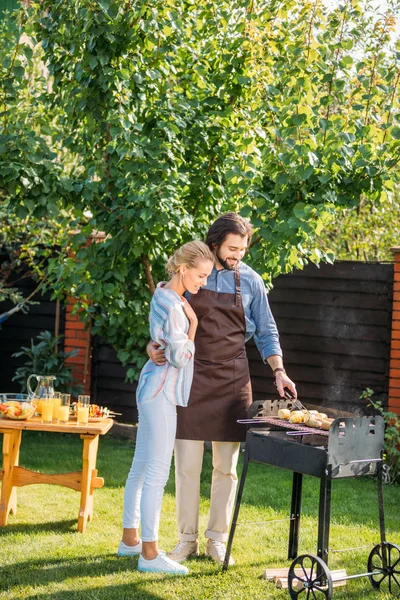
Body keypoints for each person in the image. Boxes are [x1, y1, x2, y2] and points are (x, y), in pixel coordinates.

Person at [148, 213, 296, 566]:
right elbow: (163, 319)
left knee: (225, 468)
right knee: (186, 465)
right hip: (189, 377)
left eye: (243, 249)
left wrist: (279, 371)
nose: (238, 255)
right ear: (215, 242)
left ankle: (217, 539)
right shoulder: (192, 274)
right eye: (232, 248)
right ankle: (186, 540)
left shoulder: (251, 281)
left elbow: (266, 331)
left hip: (232, 380)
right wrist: (152, 347)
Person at [118, 240, 214, 575]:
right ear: (183, 268)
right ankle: (150, 553)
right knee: (157, 474)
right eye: (200, 275)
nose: (203, 282)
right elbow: (177, 356)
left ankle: (129, 540)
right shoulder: (177, 308)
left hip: (149, 388)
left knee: (140, 469)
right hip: (161, 393)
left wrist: (155, 344)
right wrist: (194, 329)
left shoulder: (162, 293)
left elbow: (159, 343)